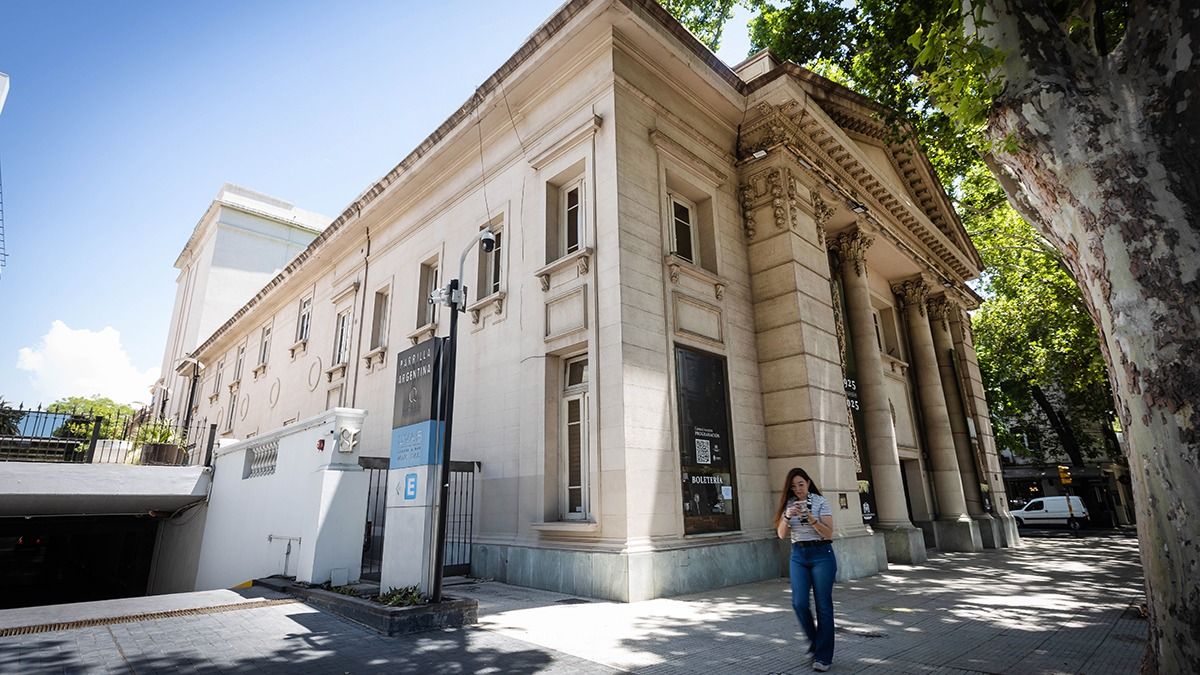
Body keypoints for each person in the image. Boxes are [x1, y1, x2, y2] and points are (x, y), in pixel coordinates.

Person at [775, 467, 837, 672]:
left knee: (823, 605)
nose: (798, 489)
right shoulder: (789, 504)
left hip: (821, 554)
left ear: (808, 483)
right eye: (793, 486)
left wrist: (811, 518)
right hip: (798, 555)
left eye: (801, 484)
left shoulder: (820, 502)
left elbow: (828, 533)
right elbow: (781, 534)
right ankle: (815, 643)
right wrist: (786, 516)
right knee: (799, 602)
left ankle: (823, 656)